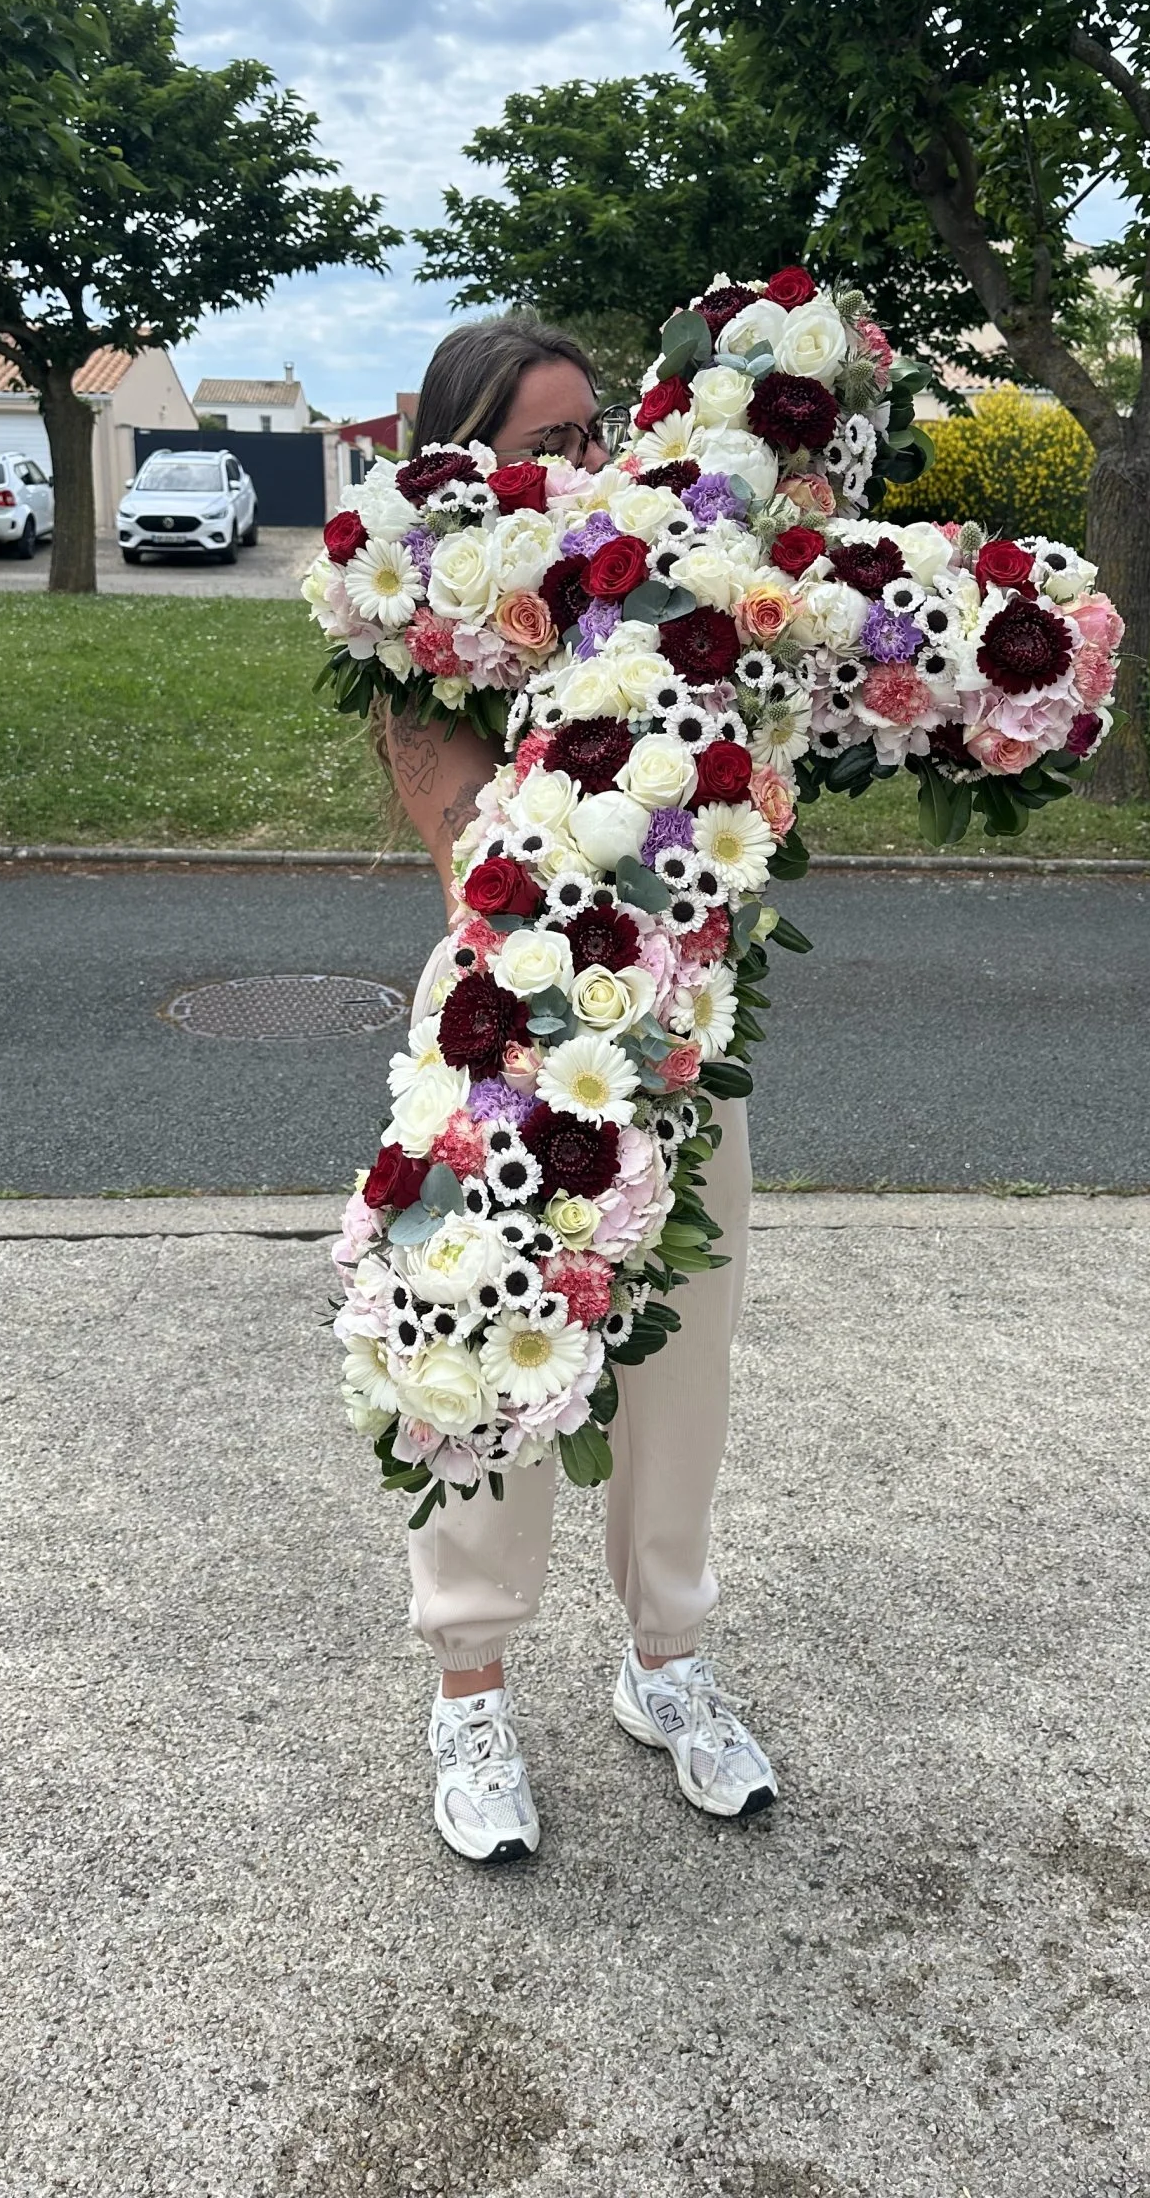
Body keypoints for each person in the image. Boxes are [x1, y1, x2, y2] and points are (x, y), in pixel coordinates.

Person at [381, 312, 776, 1864]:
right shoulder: (436, 625)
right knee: (488, 1349)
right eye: (545, 446)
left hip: (681, 1029)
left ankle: (665, 1664)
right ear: (472, 462)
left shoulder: (671, 585)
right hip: (514, 1031)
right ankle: (468, 1689)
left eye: (591, 433)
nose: (583, 468)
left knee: (688, 1353)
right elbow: (471, 856)